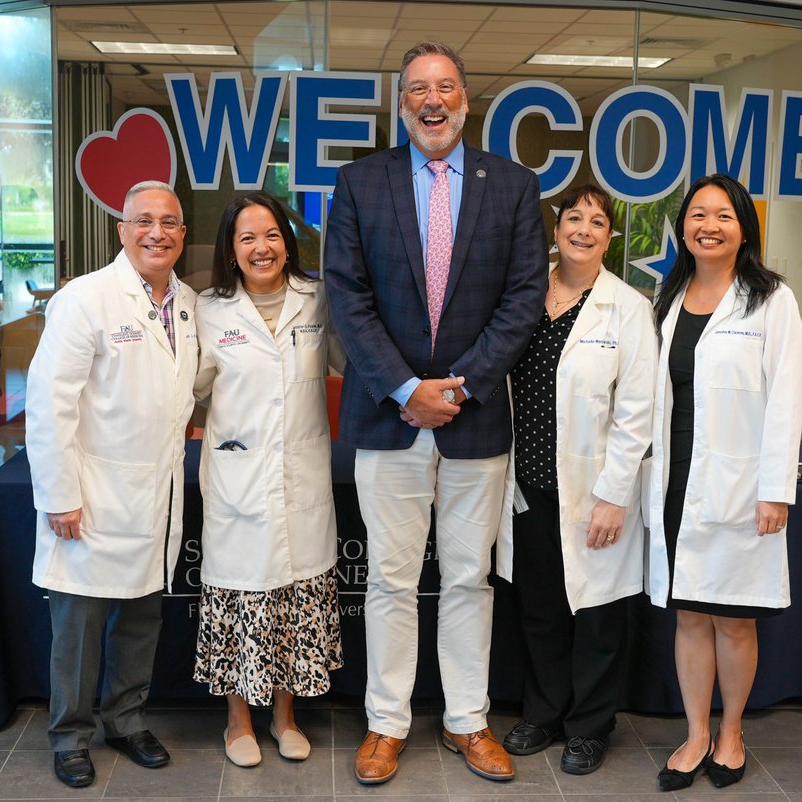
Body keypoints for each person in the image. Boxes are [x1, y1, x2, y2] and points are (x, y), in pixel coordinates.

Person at [324, 40, 548, 785]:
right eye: (418, 88)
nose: (433, 100)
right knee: (389, 580)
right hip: (388, 418)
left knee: (467, 579)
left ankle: (466, 720)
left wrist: (458, 386)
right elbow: (347, 299)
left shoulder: (513, 186)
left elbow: (523, 301)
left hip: (474, 418)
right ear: (401, 105)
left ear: (466, 99)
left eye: (446, 86)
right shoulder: (359, 184)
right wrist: (404, 389)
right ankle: (387, 723)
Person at [26, 180, 199, 788]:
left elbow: (185, 388)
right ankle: (70, 736)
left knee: (141, 620)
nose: (158, 232)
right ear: (121, 231)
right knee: (78, 628)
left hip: (157, 496)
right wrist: (60, 495)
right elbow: (49, 405)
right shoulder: (86, 299)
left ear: (183, 234)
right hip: (93, 496)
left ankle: (126, 720)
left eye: (171, 222)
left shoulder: (185, 302)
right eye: (145, 220)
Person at [645, 174, 802, 791]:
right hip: (675, 478)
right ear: (683, 227)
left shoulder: (770, 299)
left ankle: (731, 730)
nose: (709, 225)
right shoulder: (669, 294)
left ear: (744, 228)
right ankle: (694, 733)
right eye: (697, 214)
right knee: (689, 614)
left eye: (724, 215)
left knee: (734, 618)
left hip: (741, 483)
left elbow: (786, 399)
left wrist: (775, 491)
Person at [496, 184, 656, 775]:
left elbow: (638, 412)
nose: (583, 229)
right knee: (539, 607)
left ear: (610, 237)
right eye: (574, 218)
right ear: (555, 227)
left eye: (597, 222)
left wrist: (615, 496)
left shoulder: (628, 308)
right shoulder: (522, 292)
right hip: (528, 481)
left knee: (596, 613)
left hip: (594, 488)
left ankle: (589, 726)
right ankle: (543, 712)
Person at [192, 191, 344, 768]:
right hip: (238, 477)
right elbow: (192, 387)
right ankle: (237, 723)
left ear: (288, 240)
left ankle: (284, 718)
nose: (262, 247)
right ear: (231, 250)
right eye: (247, 237)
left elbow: (348, 360)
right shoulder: (208, 309)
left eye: (272, 234)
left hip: (302, 473)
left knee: (293, 598)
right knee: (242, 596)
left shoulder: (317, 298)